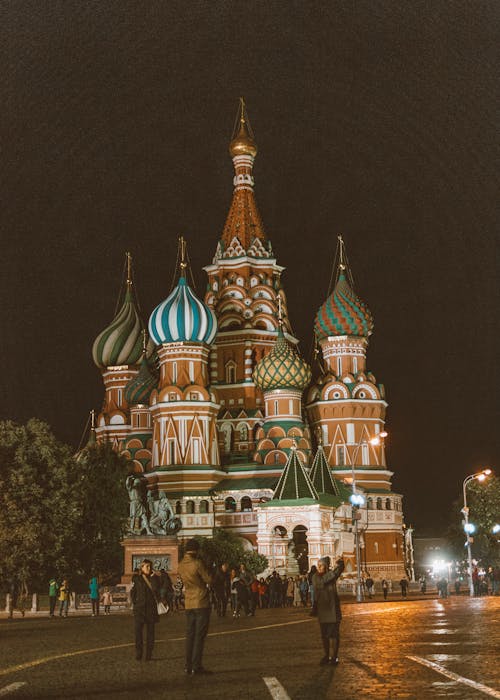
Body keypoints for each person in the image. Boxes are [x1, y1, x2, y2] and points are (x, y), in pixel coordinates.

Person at [178, 539, 213, 675]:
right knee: (199, 636)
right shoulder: (197, 563)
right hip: (201, 601)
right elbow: (209, 579)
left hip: (188, 602)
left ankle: (188, 665)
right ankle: (196, 666)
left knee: (190, 635)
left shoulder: (180, 565)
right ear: (197, 550)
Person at [311, 557, 345, 665]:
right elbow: (322, 581)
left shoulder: (331, 575)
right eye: (318, 565)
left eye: (321, 565)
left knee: (334, 635)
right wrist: (335, 572)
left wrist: (340, 565)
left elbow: (337, 573)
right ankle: (326, 655)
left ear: (326, 566)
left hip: (333, 610)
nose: (319, 567)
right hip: (323, 609)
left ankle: (334, 657)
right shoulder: (315, 577)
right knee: (324, 636)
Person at [130, 559, 160, 661]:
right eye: (146, 566)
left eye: (150, 566)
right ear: (141, 567)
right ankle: (139, 653)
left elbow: (156, 590)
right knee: (138, 633)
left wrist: (153, 578)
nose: (149, 568)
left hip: (151, 609)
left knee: (150, 634)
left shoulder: (155, 578)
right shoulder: (137, 579)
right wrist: (136, 603)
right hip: (140, 609)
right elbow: (133, 592)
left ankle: (149, 655)